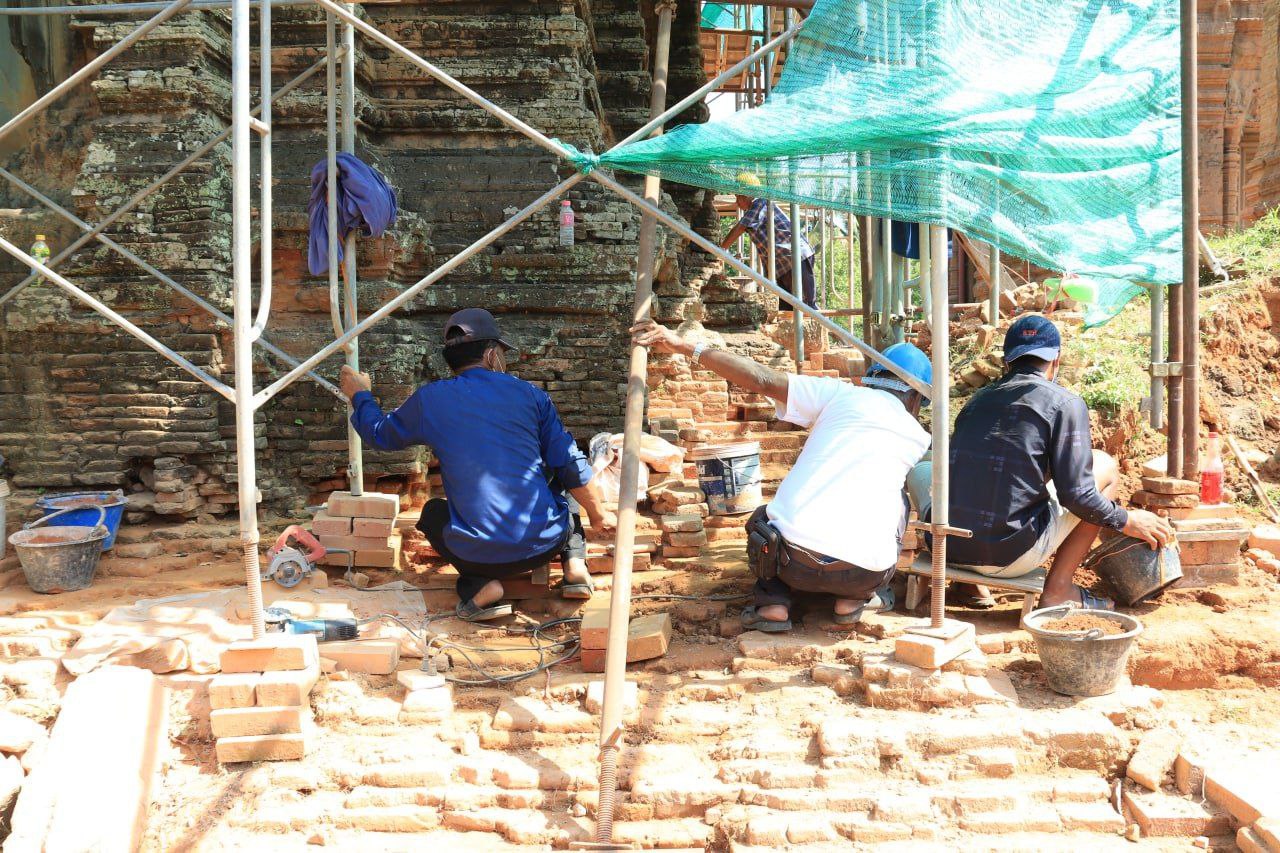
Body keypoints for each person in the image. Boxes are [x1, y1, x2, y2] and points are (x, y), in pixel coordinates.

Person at [632, 319, 931, 631]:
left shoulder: (840, 395)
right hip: (862, 573)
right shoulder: (920, 438)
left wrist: (684, 345)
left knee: (763, 517)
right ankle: (852, 601)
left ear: (871, 380)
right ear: (916, 399)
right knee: (899, 502)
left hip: (792, 562)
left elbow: (762, 378)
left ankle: (773, 603)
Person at [340, 308, 616, 621]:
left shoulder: (431, 399)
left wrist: (360, 395)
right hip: (545, 544)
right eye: (502, 353)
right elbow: (570, 464)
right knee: (560, 475)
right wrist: (598, 515)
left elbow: (380, 434)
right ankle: (574, 563)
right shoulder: (531, 395)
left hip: (478, 556)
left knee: (432, 513)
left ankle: (481, 586)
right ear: (491, 356)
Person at [906, 315, 1174, 610]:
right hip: (1009, 558)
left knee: (922, 469)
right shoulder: (1065, 404)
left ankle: (969, 583)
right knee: (1105, 466)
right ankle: (1058, 590)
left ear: (1007, 361)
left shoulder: (976, 402)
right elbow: (1078, 495)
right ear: (1055, 360)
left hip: (947, 546)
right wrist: (1126, 520)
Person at [720, 196, 817, 307]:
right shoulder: (754, 210)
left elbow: (740, 227)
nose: (737, 203)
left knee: (806, 305)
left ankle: (815, 317)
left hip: (794, 257)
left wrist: (720, 250)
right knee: (787, 306)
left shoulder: (760, 203)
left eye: (739, 198)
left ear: (748, 196)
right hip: (781, 265)